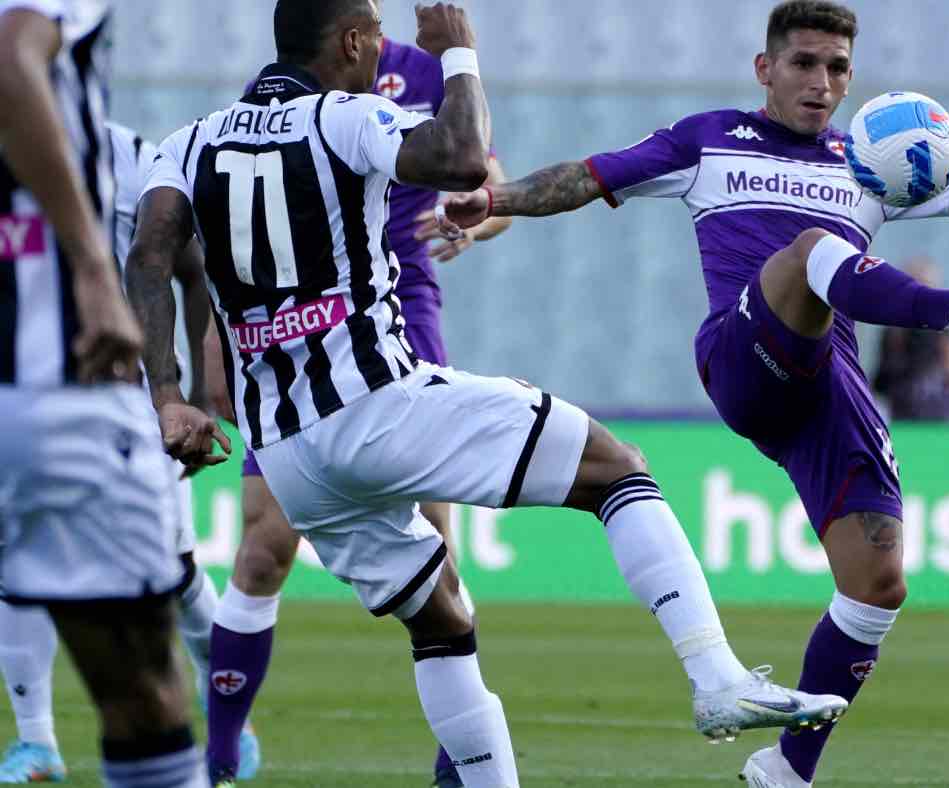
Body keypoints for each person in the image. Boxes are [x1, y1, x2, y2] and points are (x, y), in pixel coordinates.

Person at [125, 3, 847, 786]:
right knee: (618, 470)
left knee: (440, 621)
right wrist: (460, 57)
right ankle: (716, 678)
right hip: (377, 404)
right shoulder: (348, 117)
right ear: (354, 42)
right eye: (373, 35)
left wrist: (167, 393)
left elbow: (149, 256)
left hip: (293, 455)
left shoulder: (188, 142)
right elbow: (465, 160)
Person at [440, 2, 949, 785]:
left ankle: (787, 771)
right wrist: (491, 200)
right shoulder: (705, 140)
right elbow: (587, 176)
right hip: (742, 354)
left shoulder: (871, 160)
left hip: (827, 383)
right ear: (765, 69)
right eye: (805, 63)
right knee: (809, 252)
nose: (822, 82)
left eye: (837, 68)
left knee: (877, 583)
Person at [200, 35, 513, 787]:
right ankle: (215, 757)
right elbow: (242, 218)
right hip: (301, 319)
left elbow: (488, 183)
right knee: (264, 543)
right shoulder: (284, 81)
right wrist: (218, 332)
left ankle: (459, 759)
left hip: (402, 303)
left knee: (436, 536)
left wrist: (476, 220)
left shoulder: (427, 69)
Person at [0, 120, 247, 784]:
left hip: (125, 401)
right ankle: (38, 743)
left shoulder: (129, 156)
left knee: (173, 569)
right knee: (14, 566)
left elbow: (191, 272)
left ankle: (229, 709)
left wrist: (188, 391)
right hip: (21, 401)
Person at [871, 258, 949, 422]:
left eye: (926, 289)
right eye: (915, 291)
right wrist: (897, 352)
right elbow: (880, 385)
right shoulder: (894, 333)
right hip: (907, 426)